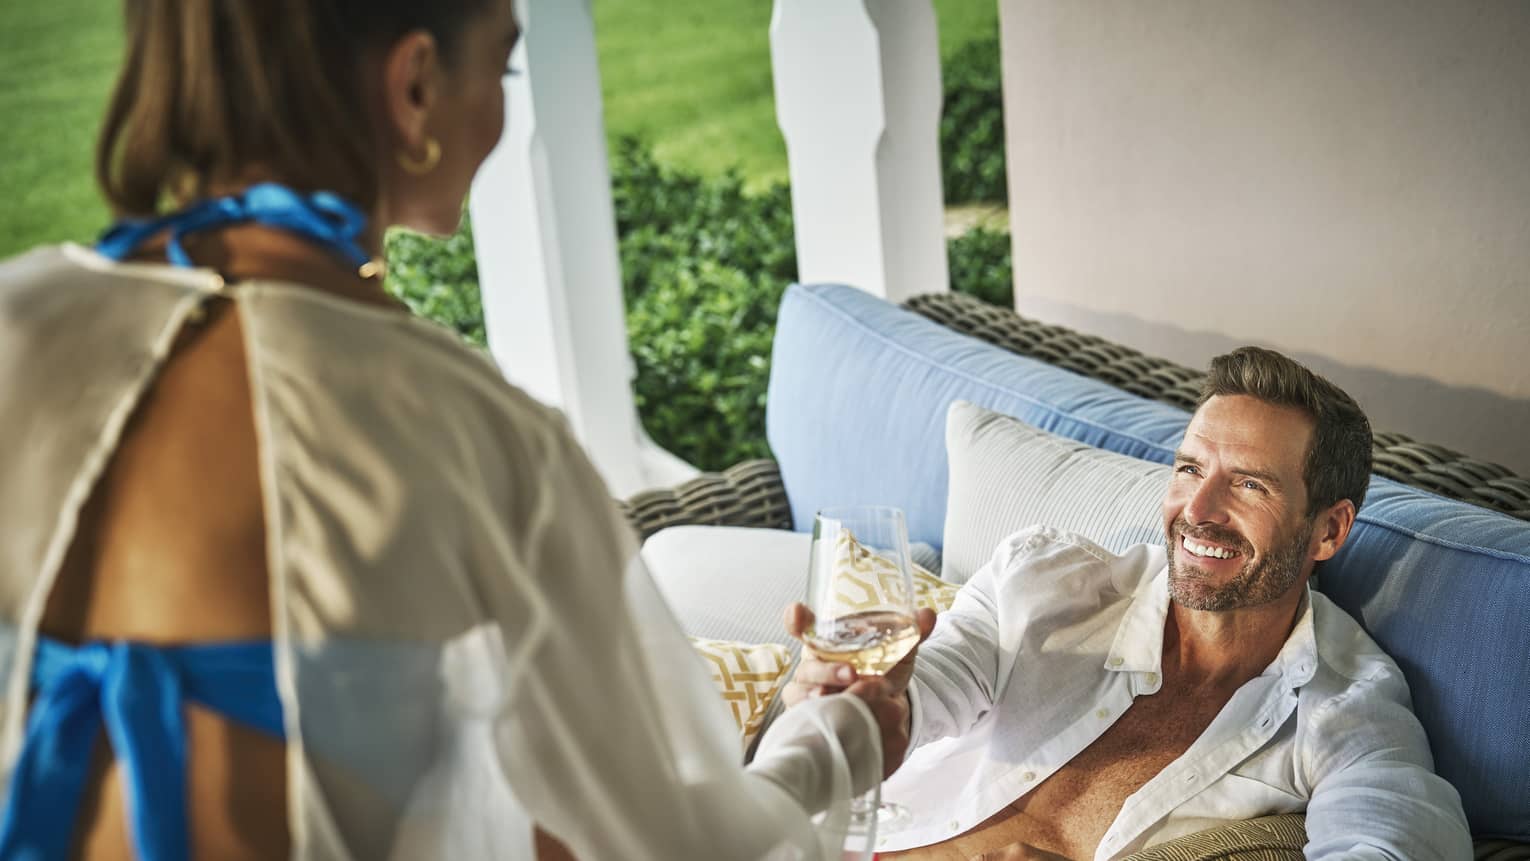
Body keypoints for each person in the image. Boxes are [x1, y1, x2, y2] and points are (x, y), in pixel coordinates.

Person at [0, 1, 916, 859]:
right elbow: (663, 844)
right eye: (505, 67)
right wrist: (836, 739)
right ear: (414, 86)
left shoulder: (17, 324)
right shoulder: (466, 433)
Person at [783, 347, 1473, 860]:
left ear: (1329, 529)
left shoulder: (1347, 710)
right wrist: (873, 705)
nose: (1198, 510)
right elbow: (931, 682)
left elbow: (1388, 842)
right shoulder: (1043, 582)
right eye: (1189, 469)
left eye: (1249, 486)